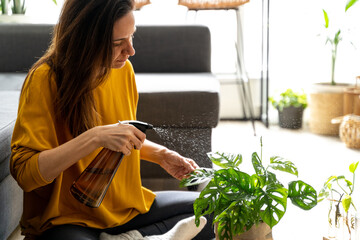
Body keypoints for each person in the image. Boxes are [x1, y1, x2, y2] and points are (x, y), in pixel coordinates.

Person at [10, 0, 214, 239]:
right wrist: (94, 137)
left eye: (132, 37)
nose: (130, 51)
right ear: (84, 40)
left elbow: (119, 138)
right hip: (68, 220)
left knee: (217, 211)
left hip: (125, 209)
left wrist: (161, 155)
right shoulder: (45, 79)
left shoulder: (123, 70)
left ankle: (132, 237)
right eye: (117, 43)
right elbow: (25, 174)